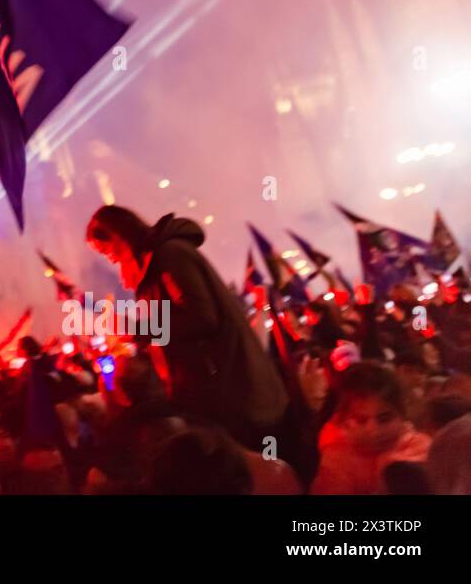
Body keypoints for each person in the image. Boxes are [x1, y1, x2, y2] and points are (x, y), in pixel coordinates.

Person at [86, 205, 288, 450]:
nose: (108, 257)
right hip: (210, 394)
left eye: (105, 249)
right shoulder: (154, 265)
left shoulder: (170, 255)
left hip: (232, 393)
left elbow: (202, 317)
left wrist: (136, 329)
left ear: (118, 234)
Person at [312, 361, 431, 494]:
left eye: (384, 419)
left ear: (402, 415)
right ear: (344, 420)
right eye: (361, 420)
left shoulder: (420, 448)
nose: (373, 430)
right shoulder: (336, 459)